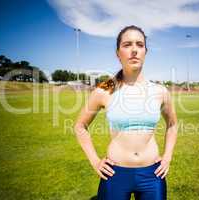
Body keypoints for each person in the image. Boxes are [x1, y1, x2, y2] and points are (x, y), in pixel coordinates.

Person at [74, 25, 178, 200]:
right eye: (127, 44)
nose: (134, 50)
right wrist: (95, 161)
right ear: (117, 53)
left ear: (146, 51)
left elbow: (173, 125)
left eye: (139, 44)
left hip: (152, 175)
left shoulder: (159, 90)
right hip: (115, 174)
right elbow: (80, 126)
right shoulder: (105, 88)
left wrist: (167, 157)